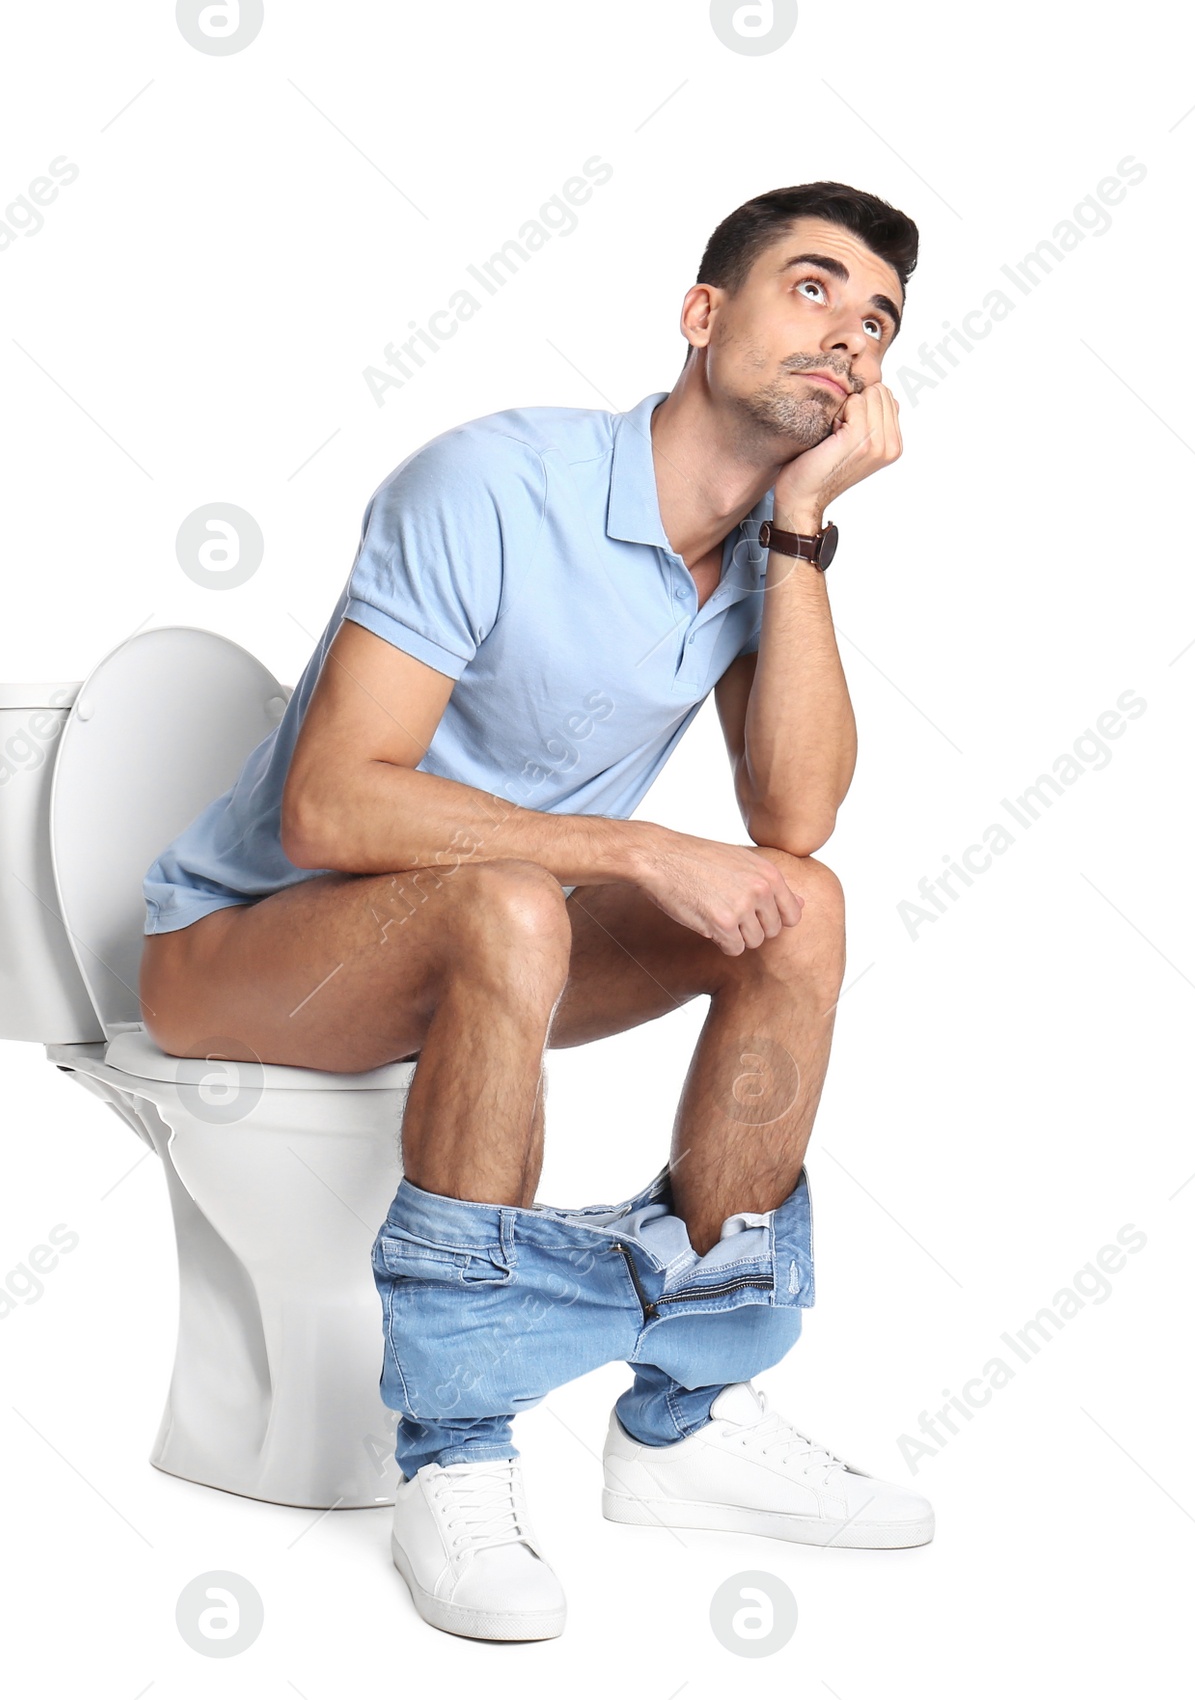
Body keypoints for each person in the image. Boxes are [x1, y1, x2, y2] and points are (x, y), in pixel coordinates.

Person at [140, 181, 932, 1642]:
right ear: (702, 318)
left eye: (879, 318)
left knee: (799, 908)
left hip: (500, 934)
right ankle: (455, 1448)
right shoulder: (495, 482)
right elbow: (330, 805)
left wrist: (803, 536)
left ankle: (684, 1420)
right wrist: (629, 849)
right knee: (515, 903)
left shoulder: (764, 552)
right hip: (242, 945)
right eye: (814, 287)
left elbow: (795, 819)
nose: (853, 336)